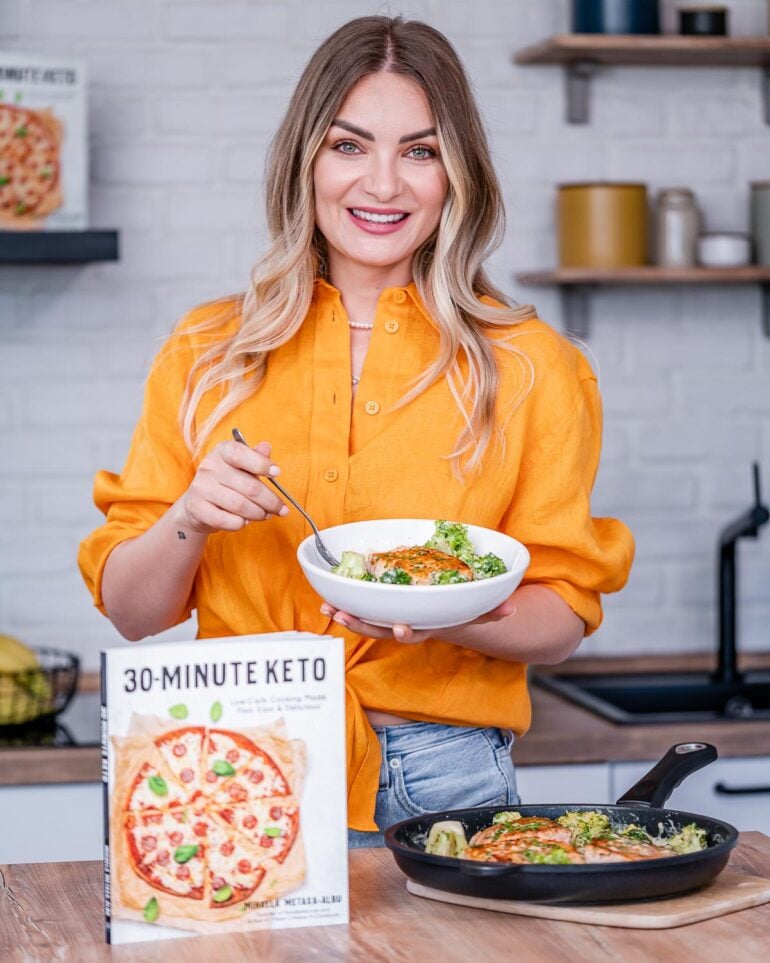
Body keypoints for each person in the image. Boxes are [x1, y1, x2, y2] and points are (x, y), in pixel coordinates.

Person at [78, 16, 634, 847]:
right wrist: (192, 512)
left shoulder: (530, 367)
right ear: (304, 161)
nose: (383, 184)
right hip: (227, 754)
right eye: (349, 146)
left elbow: (560, 615)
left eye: (419, 150)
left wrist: (439, 613)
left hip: (440, 775)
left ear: (458, 173)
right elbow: (130, 610)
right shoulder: (208, 351)